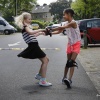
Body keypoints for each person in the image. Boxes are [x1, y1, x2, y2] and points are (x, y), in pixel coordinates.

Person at [15, 12, 52, 87]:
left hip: (34, 45)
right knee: (45, 61)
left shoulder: (27, 26)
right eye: (29, 19)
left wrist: (42, 32)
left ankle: (39, 75)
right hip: (33, 46)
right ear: (24, 20)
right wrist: (41, 29)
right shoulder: (25, 26)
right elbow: (31, 33)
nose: (30, 20)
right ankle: (43, 81)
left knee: (46, 60)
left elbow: (34, 35)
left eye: (30, 19)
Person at [50, 8, 81, 89]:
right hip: (70, 44)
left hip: (76, 43)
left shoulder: (73, 23)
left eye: (64, 14)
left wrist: (51, 29)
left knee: (72, 62)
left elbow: (65, 26)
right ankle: (64, 77)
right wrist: (50, 33)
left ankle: (69, 80)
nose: (63, 16)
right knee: (68, 62)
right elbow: (59, 31)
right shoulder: (64, 23)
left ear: (69, 14)